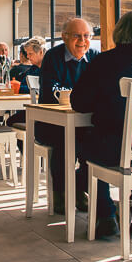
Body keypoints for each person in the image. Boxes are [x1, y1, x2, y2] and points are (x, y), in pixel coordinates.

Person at [71, 9, 132, 238]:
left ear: (120, 31)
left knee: (88, 147)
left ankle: (106, 215)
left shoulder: (105, 61)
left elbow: (79, 102)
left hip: (117, 150)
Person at [35, 17, 99, 214]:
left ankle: (78, 187)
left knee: (100, 142)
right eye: (76, 36)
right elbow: (49, 91)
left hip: (85, 123)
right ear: (64, 37)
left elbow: (101, 89)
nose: (82, 41)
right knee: (64, 140)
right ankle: (61, 193)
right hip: (51, 123)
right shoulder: (53, 57)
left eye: (86, 36)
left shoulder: (96, 57)